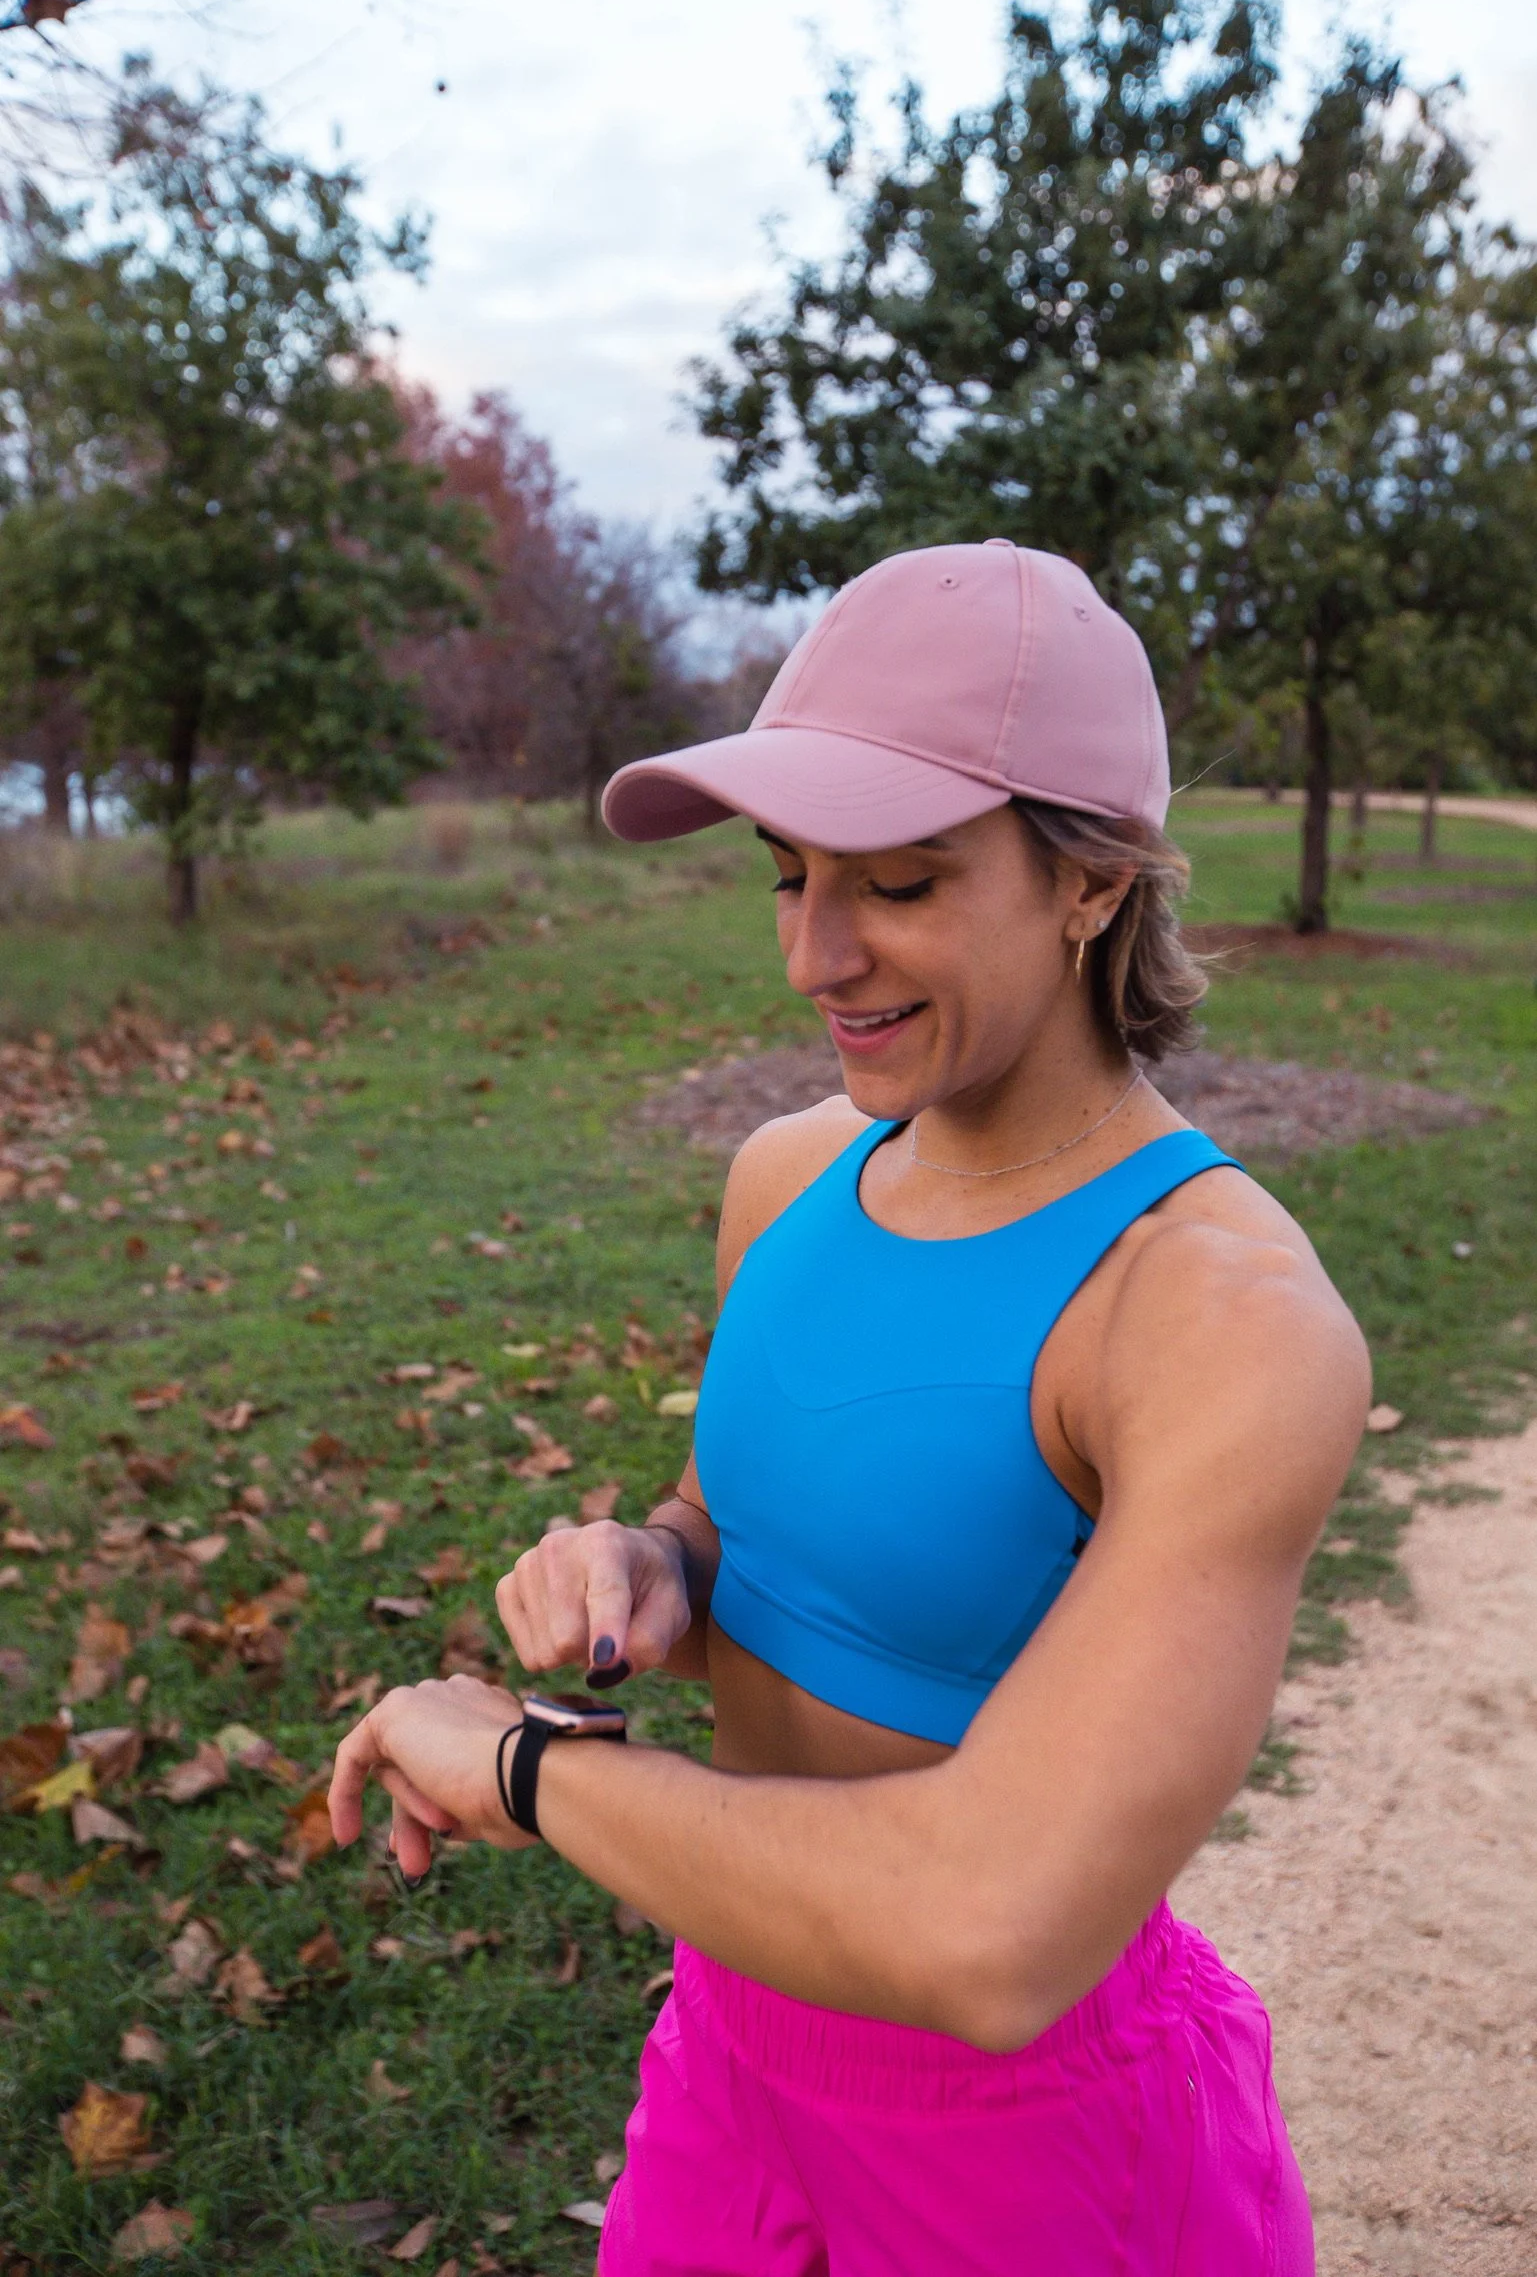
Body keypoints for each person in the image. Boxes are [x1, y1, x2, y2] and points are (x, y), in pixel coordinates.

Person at [329, 540, 1369, 2276]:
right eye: (788, 874)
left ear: (1092, 882)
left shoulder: (1215, 1316)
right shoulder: (791, 1175)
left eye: (895, 881)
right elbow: (733, 1520)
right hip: (730, 2059)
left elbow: (994, 1930)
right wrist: (649, 1566)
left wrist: (529, 1770)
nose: (816, 956)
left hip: (1040, 2147)